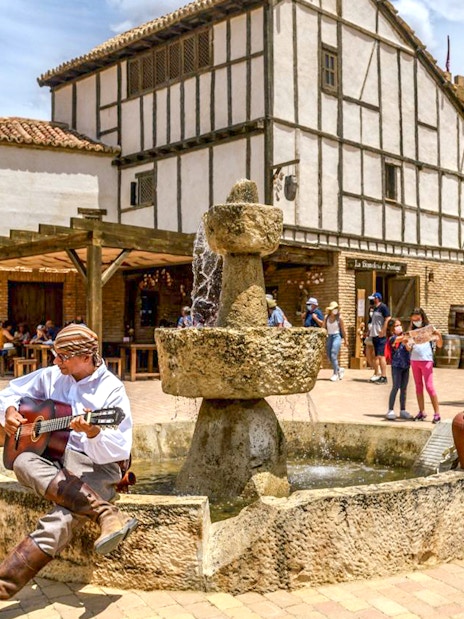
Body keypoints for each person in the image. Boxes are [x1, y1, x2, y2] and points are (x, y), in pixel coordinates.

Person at [0, 324, 138, 600]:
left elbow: (119, 448)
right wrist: (10, 410)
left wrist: (94, 432)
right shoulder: (53, 376)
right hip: (59, 458)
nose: (55, 361)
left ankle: (3, 586)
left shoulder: (111, 390)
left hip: (99, 464)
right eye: (55, 354)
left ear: (86, 357)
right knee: (23, 461)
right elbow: (9, 392)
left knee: (63, 517)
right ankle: (104, 512)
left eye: (62, 356)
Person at [408, 307, 443, 423]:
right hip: (414, 360)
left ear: (422, 318)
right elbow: (409, 346)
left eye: (417, 319)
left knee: (429, 386)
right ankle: (421, 411)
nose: (416, 322)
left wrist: (439, 335)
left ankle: (437, 413)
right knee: (418, 386)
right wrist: (406, 343)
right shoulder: (412, 331)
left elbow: (439, 345)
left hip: (426, 360)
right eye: (413, 320)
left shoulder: (430, 329)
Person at [385, 319, 413, 421]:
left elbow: (409, 348)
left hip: (406, 365)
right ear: (392, 328)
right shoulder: (392, 338)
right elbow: (398, 340)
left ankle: (403, 410)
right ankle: (390, 409)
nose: (399, 327)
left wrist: (407, 343)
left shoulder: (404, 337)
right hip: (396, 366)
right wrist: (408, 336)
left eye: (400, 325)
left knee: (404, 388)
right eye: (397, 325)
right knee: (395, 387)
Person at [368, 292, 391, 384]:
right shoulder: (375, 308)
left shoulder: (383, 307)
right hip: (374, 334)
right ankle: (378, 374)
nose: (372, 300)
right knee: (377, 355)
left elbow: (388, 318)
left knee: (381, 356)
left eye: (373, 298)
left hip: (380, 334)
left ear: (377, 298)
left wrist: (383, 330)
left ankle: (384, 376)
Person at [323, 301, 347, 381]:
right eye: (334, 309)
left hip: (337, 336)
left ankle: (335, 373)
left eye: (336, 308)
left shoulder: (339, 318)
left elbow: (343, 330)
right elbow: (323, 328)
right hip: (329, 337)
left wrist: (346, 340)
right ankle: (339, 369)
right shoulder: (326, 317)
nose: (335, 310)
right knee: (329, 356)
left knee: (333, 354)